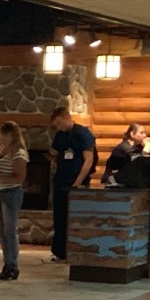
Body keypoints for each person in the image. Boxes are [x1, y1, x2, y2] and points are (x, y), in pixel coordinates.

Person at [48, 106, 96, 264]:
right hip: (61, 179)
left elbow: (88, 160)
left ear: (67, 118)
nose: (58, 127)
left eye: (59, 123)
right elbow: (54, 153)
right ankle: (59, 252)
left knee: (75, 218)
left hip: (76, 181)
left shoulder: (83, 134)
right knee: (59, 216)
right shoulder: (60, 135)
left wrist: (77, 183)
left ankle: (76, 250)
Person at [0, 121, 29, 281]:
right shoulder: (0, 150)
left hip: (10, 193)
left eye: (3, 136)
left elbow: (19, 178)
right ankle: (6, 263)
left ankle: (13, 265)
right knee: (2, 231)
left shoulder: (19, 154)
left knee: (10, 231)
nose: (1, 139)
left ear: (11, 136)